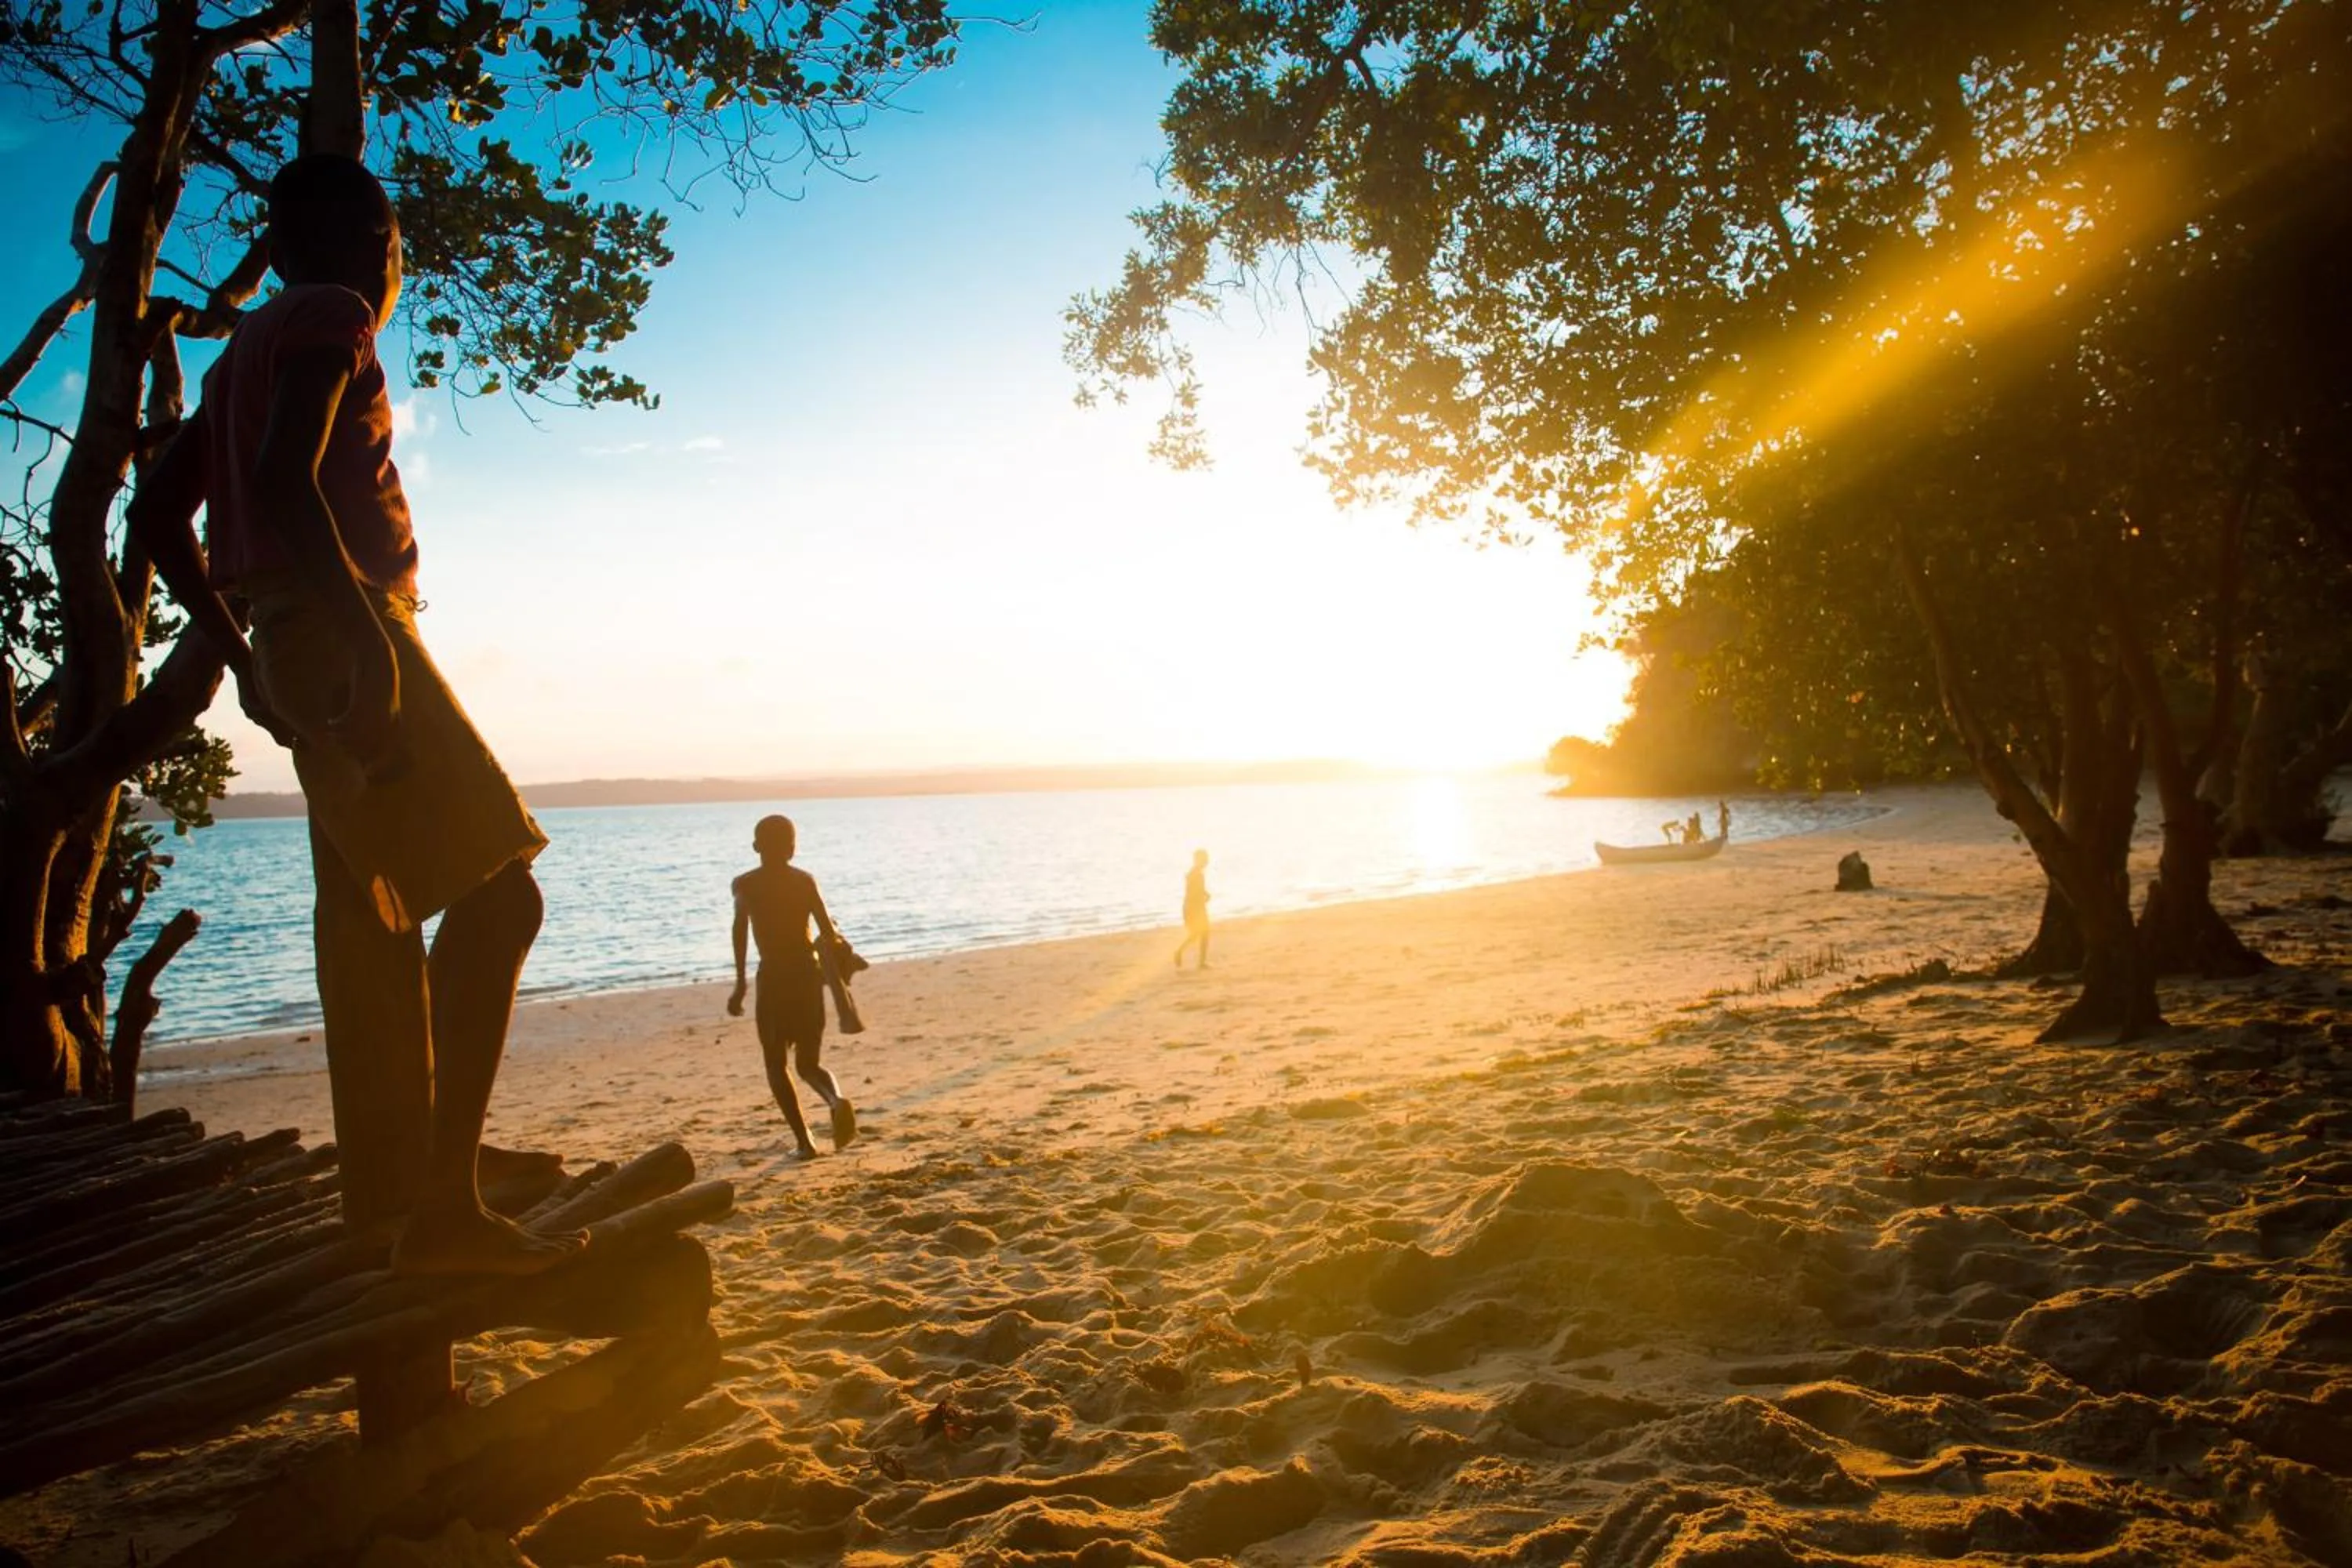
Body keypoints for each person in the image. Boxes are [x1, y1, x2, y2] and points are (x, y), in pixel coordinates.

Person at [126, 154, 579, 1276]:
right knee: (502, 894)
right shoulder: (332, 313)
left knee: (386, 921)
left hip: (298, 643)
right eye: (392, 246)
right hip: (347, 631)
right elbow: (286, 478)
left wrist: (244, 656)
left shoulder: (237, 358)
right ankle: (446, 1207)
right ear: (371, 249)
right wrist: (364, 638)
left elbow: (155, 516)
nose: (392, 268)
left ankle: (422, 1167)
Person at [729, 815, 858, 1159]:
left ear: (756, 846)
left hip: (774, 978)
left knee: (776, 1064)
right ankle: (836, 1100)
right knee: (808, 1064)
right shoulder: (805, 881)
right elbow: (828, 933)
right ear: (792, 849)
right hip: (806, 976)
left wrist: (740, 983)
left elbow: (740, 931)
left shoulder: (745, 885)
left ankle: (805, 1143)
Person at [1173, 848, 1212, 969]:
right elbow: (1195, 892)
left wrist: (1206, 895)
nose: (1207, 861)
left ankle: (1180, 952)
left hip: (1192, 907)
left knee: (1197, 934)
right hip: (1195, 908)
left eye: (1207, 859)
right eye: (1205, 859)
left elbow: (1196, 890)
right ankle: (1200, 962)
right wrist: (1205, 898)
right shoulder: (1197, 874)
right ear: (1198, 860)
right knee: (1202, 933)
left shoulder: (1194, 873)